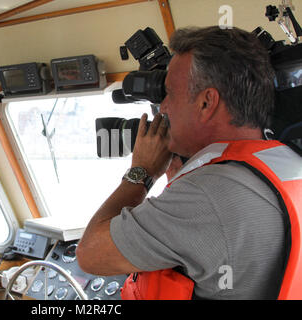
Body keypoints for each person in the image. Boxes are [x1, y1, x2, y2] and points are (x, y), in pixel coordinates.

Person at [77, 26, 302, 299]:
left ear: (207, 103)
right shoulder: (284, 161)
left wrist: (142, 172)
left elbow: (90, 254)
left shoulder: (208, 194)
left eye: (170, 93)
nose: (164, 108)